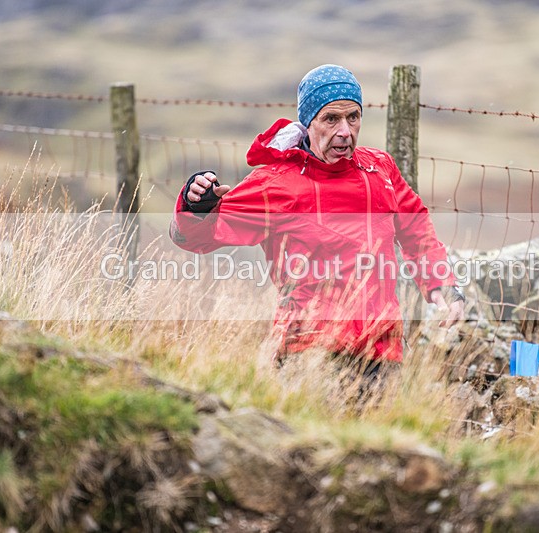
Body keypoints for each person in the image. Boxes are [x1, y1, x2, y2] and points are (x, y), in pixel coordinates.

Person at [170, 64, 464, 380]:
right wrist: (195, 206)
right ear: (309, 122)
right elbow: (194, 238)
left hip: (383, 353)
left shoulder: (380, 170)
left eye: (353, 117)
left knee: (388, 430)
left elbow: (416, 228)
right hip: (309, 354)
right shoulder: (275, 183)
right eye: (331, 119)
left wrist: (441, 287)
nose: (345, 131)